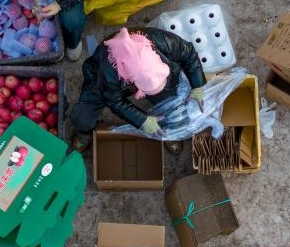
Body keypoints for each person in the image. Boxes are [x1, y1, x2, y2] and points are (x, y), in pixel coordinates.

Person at [70, 27, 207, 153]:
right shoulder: (107, 70)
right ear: (132, 80)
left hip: (139, 81)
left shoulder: (162, 42)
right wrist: (142, 120)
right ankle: (84, 132)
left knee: (172, 104)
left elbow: (188, 53)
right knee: (81, 118)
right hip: (102, 83)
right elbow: (114, 101)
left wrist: (198, 85)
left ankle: (167, 130)